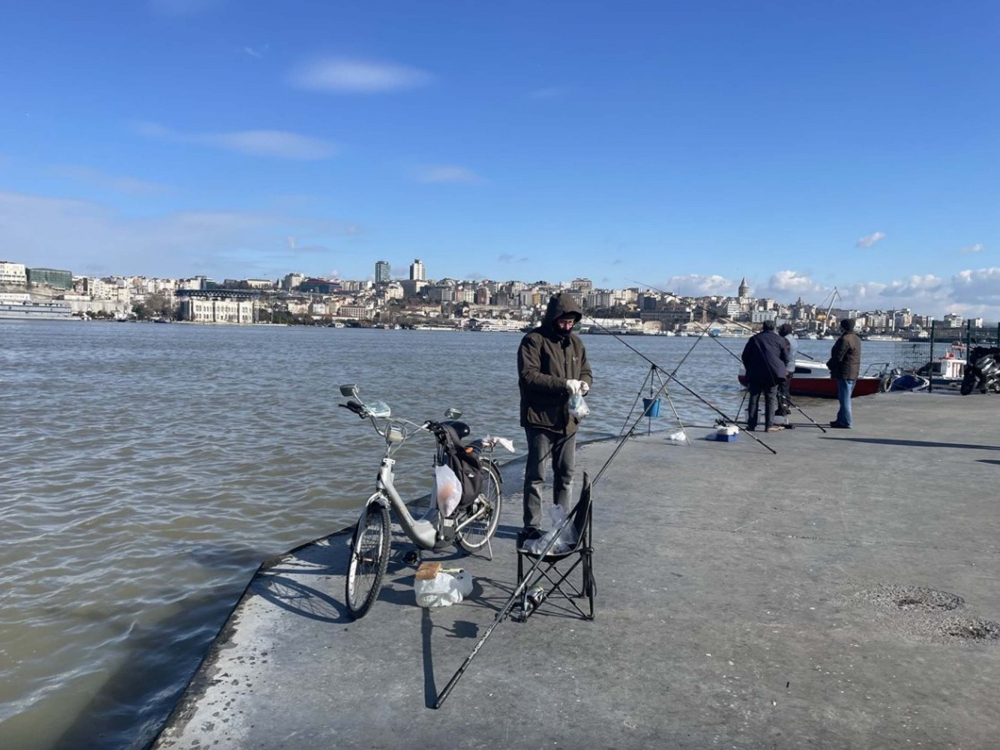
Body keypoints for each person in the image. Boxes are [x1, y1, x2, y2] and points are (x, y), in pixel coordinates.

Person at [517, 293, 592, 548]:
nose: (567, 326)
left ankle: (562, 525)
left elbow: (586, 371)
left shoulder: (577, 344)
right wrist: (564, 384)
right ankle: (532, 527)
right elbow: (529, 377)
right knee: (536, 475)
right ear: (553, 317)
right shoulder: (533, 341)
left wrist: (584, 385)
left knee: (565, 475)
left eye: (571, 322)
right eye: (563, 321)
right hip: (539, 419)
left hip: (568, 421)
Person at [741, 319, 788, 433]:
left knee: (754, 398)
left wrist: (749, 368)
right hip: (773, 374)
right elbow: (785, 358)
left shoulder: (754, 339)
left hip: (755, 373)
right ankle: (769, 425)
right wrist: (779, 369)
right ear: (774, 328)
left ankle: (751, 425)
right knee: (770, 399)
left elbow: (745, 356)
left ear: (763, 327)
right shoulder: (780, 340)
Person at [827, 318, 861, 428]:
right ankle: (841, 419)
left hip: (845, 372)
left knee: (844, 398)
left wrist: (829, 365)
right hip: (853, 372)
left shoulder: (845, 339)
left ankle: (846, 421)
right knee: (844, 397)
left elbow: (838, 356)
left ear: (843, 327)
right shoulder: (856, 339)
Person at [776, 323, 797, 416]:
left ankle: (783, 408)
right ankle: (786, 406)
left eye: (780, 329)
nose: (779, 331)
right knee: (786, 389)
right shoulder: (793, 339)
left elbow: (783, 354)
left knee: (781, 389)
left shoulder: (785, 340)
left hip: (785, 368)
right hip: (791, 367)